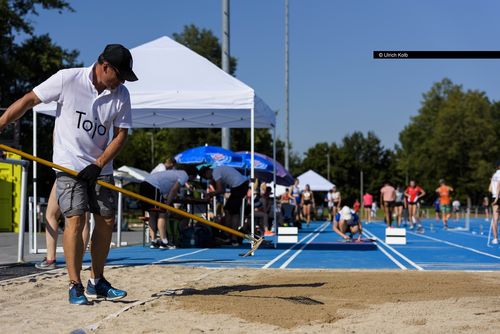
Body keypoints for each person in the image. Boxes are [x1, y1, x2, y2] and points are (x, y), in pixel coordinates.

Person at [0, 44, 138, 305]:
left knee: (106, 221)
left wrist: (98, 163)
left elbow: (121, 135)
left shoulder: (121, 94)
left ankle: (97, 280)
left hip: (100, 167)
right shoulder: (67, 79)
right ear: (105, 66)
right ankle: (75, 285)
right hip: (69, 165)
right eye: (119, 75)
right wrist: (2, 123)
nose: (121, 81)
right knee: (76, 220)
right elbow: (29, 100)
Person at [35, 182, 91, 269]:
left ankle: (51, 259)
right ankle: (77, 260)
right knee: (83, 218)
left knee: (52, 215)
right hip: (86, 175)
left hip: (67, 174)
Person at [139, 166, 197, 248]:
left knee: (152, 213)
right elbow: (174, 190)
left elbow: (170, 190)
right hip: (153, 185)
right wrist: (167, 205)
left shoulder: (177, 172)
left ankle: (154, 241)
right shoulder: (185, 175)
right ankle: (164, 241)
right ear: (192, 176)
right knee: (162, 213)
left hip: (144, 184)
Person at [198, 165, 249, 246]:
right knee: (227, 210)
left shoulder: (215, 172)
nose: (209, 179)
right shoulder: (218, 171)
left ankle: (233, 238)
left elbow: (221, 190)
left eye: (206, 177)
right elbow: (223, 189)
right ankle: (228, 235)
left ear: (207, 172)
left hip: (239, 186)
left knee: (233, 212)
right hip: (239, 186)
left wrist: (209, 194)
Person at [488, 162, 500, 244]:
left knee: (495, 218)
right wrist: (497, 198)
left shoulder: (494, 175)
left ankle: (495, 238)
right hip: (498, 197)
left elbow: (489, 189)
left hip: (494, 196)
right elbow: (499, 185)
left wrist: (494, 195)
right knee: (495, 219)